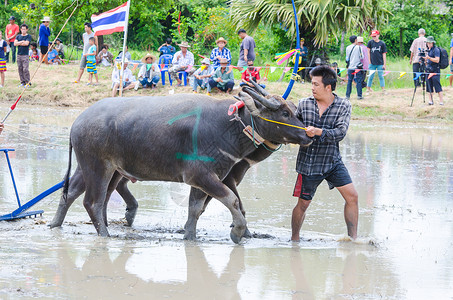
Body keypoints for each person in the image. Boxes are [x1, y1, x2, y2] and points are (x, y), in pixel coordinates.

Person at [291, 65, 358, 242]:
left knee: (352, 197)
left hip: (332, 161)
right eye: (311, 84)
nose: (312, 88)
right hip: (309, 164)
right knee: (303, 204)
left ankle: (353, 239)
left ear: (328, 87)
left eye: (316, 84)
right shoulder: (304, 104)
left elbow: (341, 133)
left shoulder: (343, 105)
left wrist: (319, 132)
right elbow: (294, 129)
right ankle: (294, 240)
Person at [424, 36, 444, 105]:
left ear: (432, 43)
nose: (428, 44)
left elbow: (437, 60)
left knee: (437, 86)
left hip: (435, 71)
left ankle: (441, 101)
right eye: (427, 43)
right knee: (429, 86)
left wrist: (429, 57)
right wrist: (425, 60)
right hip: (428, 70)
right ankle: (430, 101)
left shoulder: (436, 50)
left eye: (430, 43)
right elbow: (429, 61)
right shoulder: (428, 50)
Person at [345, 35, 364, 100]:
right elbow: (362, 57)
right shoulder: (359, 48)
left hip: (350, 67)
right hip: (357, 67)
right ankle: (359, 95)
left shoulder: (347, 48)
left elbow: (347, 58)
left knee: (349, 81)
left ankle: (347, 95)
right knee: (358, 81)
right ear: (355, 40)